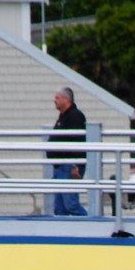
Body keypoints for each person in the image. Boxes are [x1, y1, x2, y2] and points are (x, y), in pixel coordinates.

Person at [48, 87, 87, 217]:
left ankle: (90, 227)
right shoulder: (63, 116)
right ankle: (63, 234)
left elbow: (78, 142)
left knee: (71, 205)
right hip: (60, 167)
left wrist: (76, 166)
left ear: (66, 99)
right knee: (59, 208)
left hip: (69, 167)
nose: (55, 100)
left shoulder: (75, 116)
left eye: (57, 98)